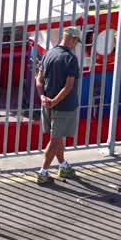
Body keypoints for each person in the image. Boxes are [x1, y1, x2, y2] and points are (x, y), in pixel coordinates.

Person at [35, 26, 82, 184]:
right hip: (63, 107)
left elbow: (39, 79)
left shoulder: (49, 53)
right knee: (55, 140)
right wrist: (55, 101)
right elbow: (69, 86)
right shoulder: (71, 58)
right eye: (77, 42)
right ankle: (43, 172)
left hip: (46, 105)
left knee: (57, 137)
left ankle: (63, 166)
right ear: (74, 40)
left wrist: (43, 97)